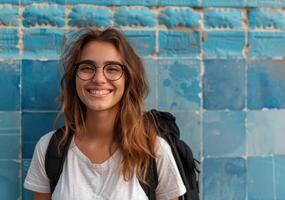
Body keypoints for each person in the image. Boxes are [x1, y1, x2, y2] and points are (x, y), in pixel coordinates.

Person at [23, 27, 186, 200]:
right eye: (87, 67)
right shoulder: (49, 148)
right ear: (74, 77)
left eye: (113, 69)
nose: (99, 79)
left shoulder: (154, 150)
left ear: (128, 79)